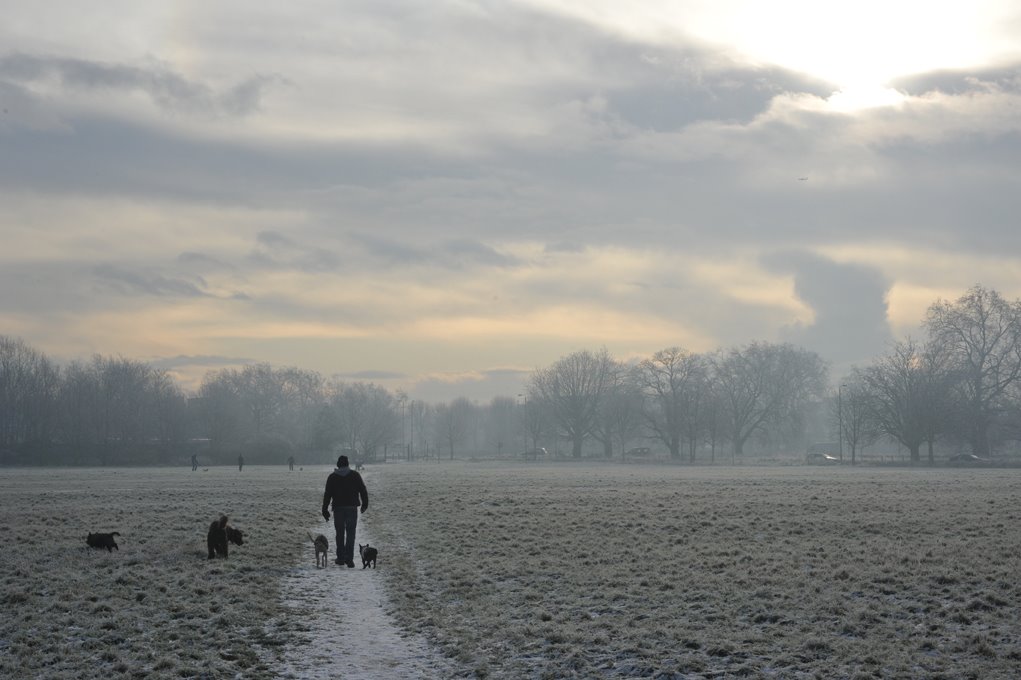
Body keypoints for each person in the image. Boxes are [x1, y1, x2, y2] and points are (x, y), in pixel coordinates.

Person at [321, 455, 369, 567]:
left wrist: (325, 509)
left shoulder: (332, 477)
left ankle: (341, 558)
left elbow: (327, 495)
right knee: (351, 533)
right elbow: (363, 490)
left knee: (340, 534)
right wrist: (364, 504)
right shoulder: (355, 475)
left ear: (338, 464)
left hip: (338, 508)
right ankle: (349, 559)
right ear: (348, 464)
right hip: (352, 508)